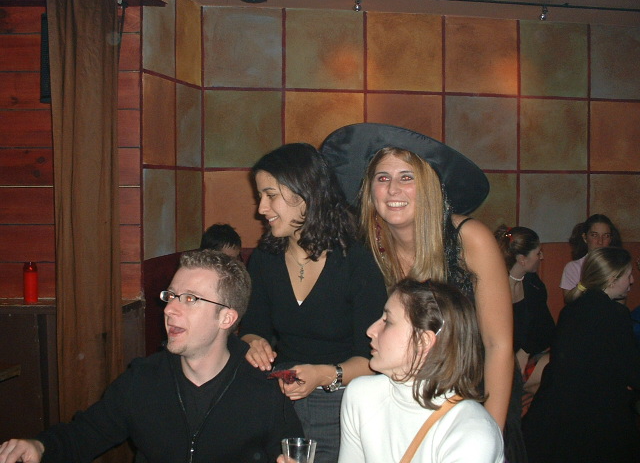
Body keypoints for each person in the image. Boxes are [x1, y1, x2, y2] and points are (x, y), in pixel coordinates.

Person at [0, 250, 303, 463]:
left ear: (226, 318)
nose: (170, 309)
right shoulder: (143, 380)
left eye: (190, 299)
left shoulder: (265, 390)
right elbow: (84, 434)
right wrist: (39, 446)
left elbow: (290, 452)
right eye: (171, 296)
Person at [321, 123, 513, 434]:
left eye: (406, 177)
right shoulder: (368, 251)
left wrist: (492, 432)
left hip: (473, 399)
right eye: (383, 178)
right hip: (407, 406)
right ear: (370, 190)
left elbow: (498, 345)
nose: (392, 190)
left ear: (429, 187)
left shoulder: (469, 239)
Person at [239, 143, 387, 463]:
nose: (261, 208)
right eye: (260, 196)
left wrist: (324, 375)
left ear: (306, 194)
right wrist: (254, 343)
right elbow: (252, 327)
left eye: (270, 195)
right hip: (281, 394)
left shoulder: (356, 261)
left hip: (343, 400)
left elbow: (374, 360)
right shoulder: (265, 258)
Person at [338, 279, 504, 462]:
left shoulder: (471, 431)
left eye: (388, 321)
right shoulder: (362, 395)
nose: (371, 331)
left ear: (423, 342)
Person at [523, 247, 640, 463]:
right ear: (612, 279)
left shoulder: (571, 310)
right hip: (593, 420)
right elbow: (631, 371)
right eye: (628, 275)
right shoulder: (615, 314)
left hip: (555, 416)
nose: (632, 281)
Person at [494, 226, 555, 409]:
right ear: (522, 259)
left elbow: (547, 329)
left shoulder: (533, 284)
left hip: (527, 355)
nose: (542, 257)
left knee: (561, 367)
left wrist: (525, 351)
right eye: (538, 253)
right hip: (498, 360)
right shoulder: (495, 287)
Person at [560, 213, 622, 298]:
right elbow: (569, 300)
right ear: (585, 237)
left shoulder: (619, 266)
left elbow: (621, 301)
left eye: (606, 236)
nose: (600, 241)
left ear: (611, 239)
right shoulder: (573, 267)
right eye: (594, 235)